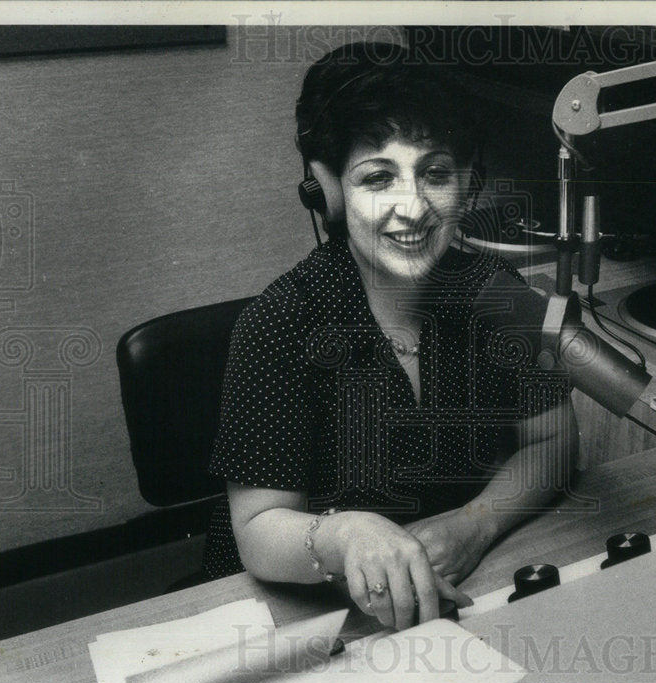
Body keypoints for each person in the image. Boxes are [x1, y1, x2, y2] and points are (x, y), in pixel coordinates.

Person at [203, 42, 577, 631]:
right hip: (300, 611)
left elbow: (553, 442)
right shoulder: (278, 324)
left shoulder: (498, 296)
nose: (414, 208)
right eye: (378, 177)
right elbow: (256, 528)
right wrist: (346, 533)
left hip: (446, 593)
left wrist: (473, 524)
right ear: (327, 188)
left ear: (466, 182)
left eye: (435, 173)